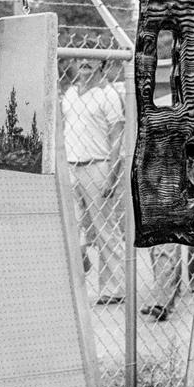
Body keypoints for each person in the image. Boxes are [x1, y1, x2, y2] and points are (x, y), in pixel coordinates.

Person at [62, 58, 126, 305]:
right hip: (70, 164)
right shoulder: (69, 93)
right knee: (71, 224)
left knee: (104, 227)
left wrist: (112, 173)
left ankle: (114, 288)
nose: (85, 63)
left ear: (102, 64)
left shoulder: (107, 94)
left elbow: (116, 138)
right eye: (80, 59)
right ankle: (82, 257)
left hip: (97, 165)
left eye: (91, 60)